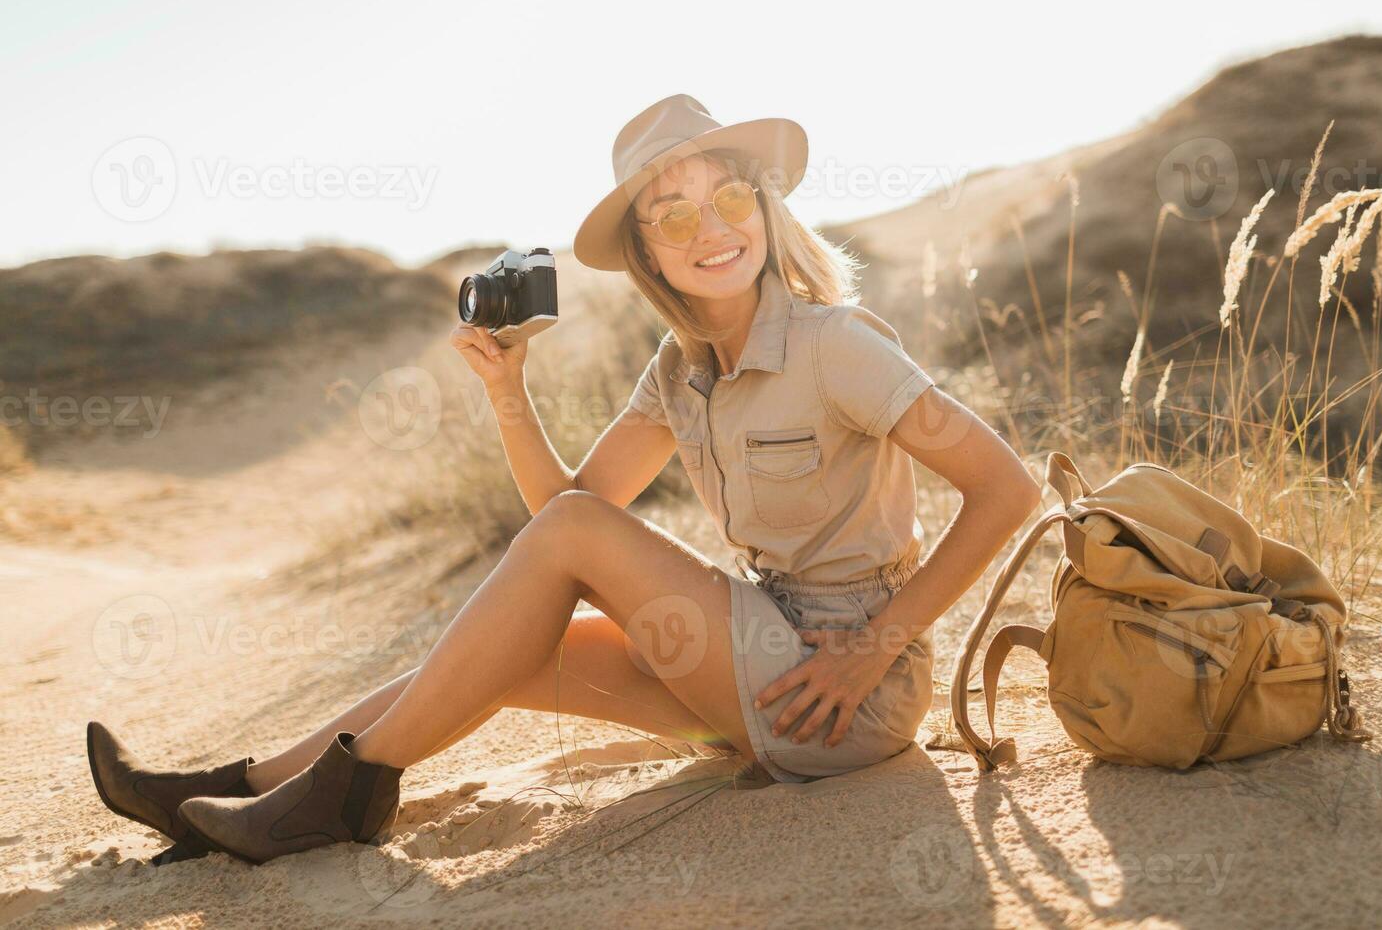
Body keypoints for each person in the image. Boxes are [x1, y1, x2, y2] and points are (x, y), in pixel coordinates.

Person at [86, 94, 1042, 866]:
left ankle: (342, 799)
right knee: (489, 655)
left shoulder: (834, 345)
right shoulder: (680, 370)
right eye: (672, 211)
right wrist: (508, 393)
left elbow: (1007, 488)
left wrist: (872, 650)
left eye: (730, 198)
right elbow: (569, 527)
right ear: (646, 251)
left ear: (766, 208)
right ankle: (234, 790)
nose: (709, 227)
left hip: (844, 695)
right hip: (759, 663)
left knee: (549, 571)